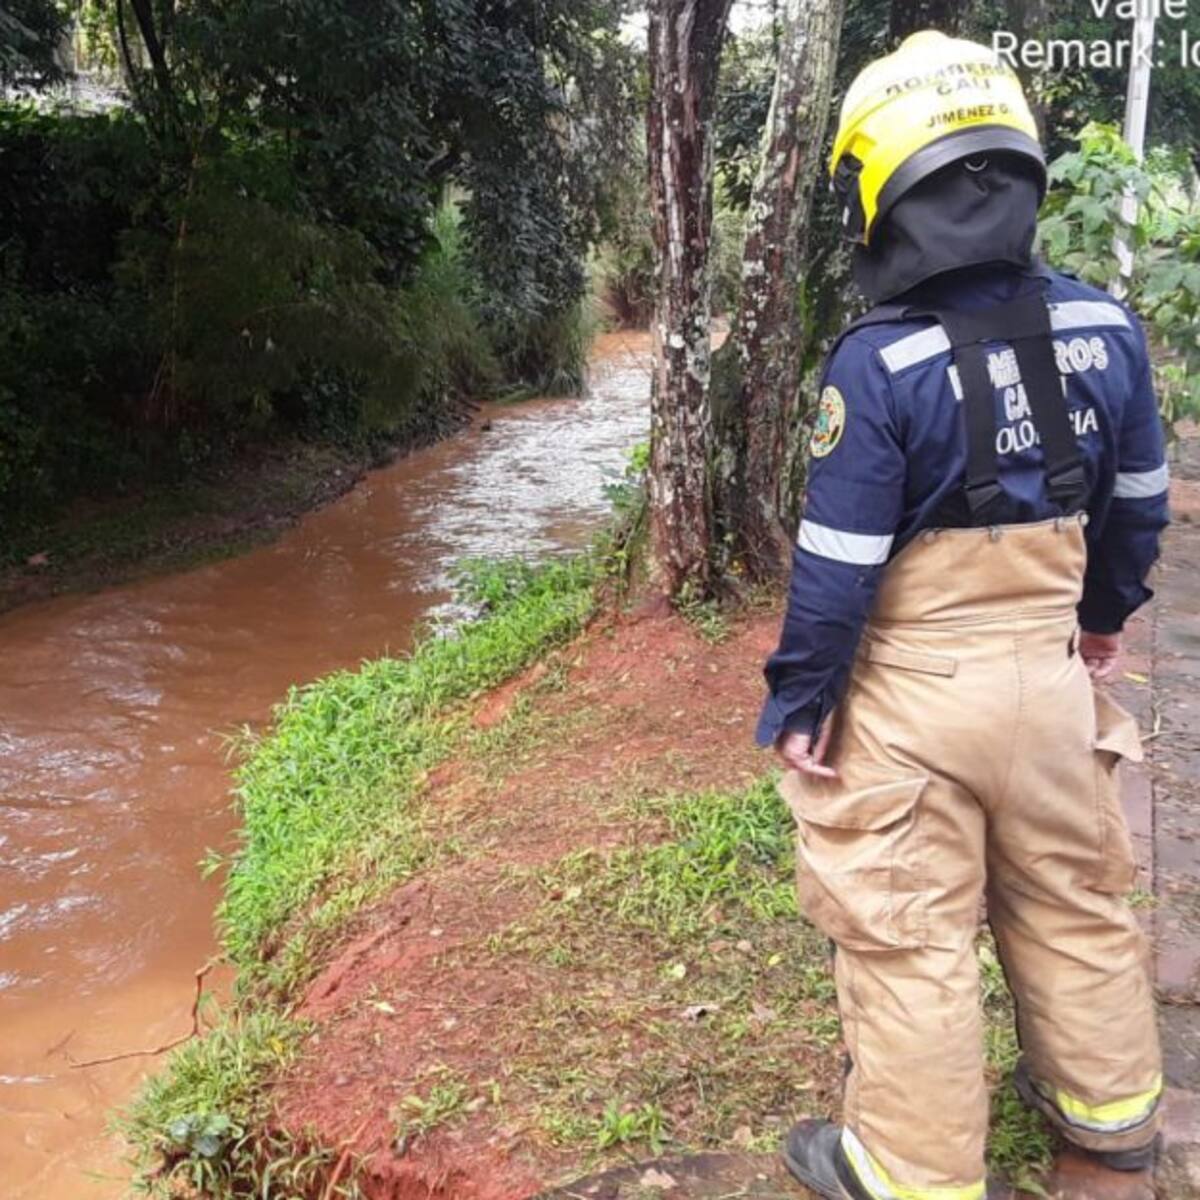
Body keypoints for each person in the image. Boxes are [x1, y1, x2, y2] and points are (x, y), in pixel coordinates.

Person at [757, 30, 1169, 1200]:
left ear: (885, 193)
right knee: (1072, 898)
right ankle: (1112, 1116)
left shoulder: (878, 366)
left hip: (911, 704)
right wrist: (1099, 620)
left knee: (908, 936)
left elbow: (836, 570)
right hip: (1046, 682)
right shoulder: (1109, 331)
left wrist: (801, 701)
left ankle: (911, 1172)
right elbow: (1138, 507)